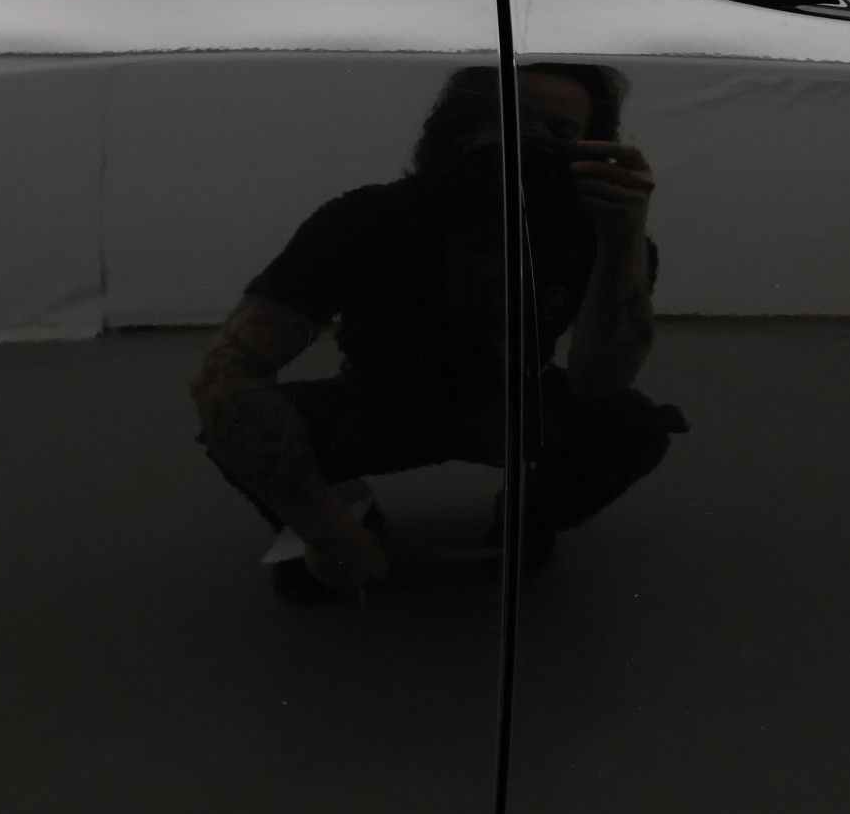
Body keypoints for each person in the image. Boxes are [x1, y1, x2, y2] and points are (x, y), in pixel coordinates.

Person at [187, 64, 687, 602]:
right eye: (508, 120)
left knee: (632, 428)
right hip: (382, 403)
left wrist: (623, 236)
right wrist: (323, 527)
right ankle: (355, 519)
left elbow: (597, 384)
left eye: (559, 131)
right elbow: (227, 376)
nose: (529, 141)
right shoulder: (370, 219)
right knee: (238, 423)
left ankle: (527, 517)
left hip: (513, 401)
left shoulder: (592, 237)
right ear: (459, 126)